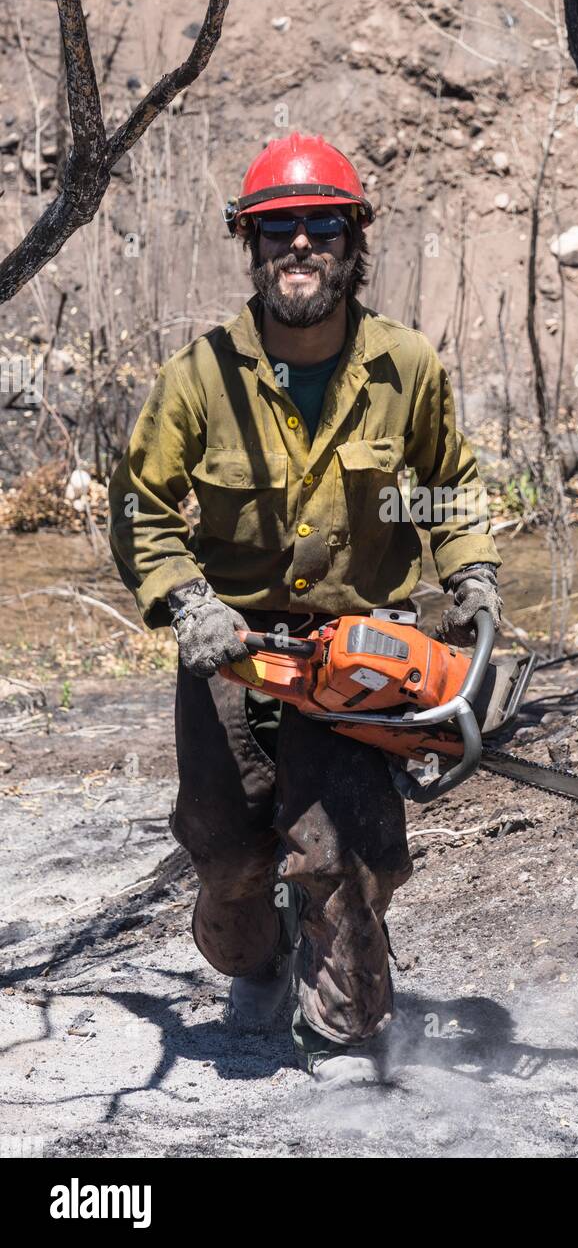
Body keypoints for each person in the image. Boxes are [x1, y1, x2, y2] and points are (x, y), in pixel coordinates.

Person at [108, 132, 502, 1087]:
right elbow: (140, 509)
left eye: (319, 226)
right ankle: (256, 962)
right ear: (250, 242)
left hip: (358, 656)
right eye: (278, 229)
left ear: (352, 238)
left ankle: (340, 1031)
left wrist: (474, 578)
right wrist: (186, 601)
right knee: (230, 856)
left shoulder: (406, 366)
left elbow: (448, 486)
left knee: (347, 858)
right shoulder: (199, 377)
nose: (299, 247)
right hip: (232, 657)